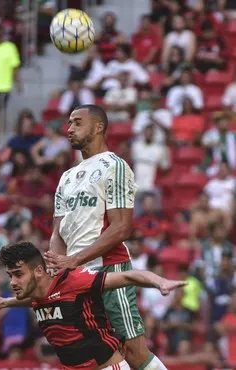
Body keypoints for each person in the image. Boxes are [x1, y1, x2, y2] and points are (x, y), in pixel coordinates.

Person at [44, 104, 169, 369]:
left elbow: (122, 227)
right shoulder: (66, 177)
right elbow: (58, 230)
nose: (69, 129)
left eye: (77, 122)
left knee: (133, 351)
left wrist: (74, 260)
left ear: (99, 127)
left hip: (108, 266)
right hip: (76, 275)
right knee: (100, 354)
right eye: (68, 123)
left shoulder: (115, 166)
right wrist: (58, 265)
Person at [0, 241, 186, 370]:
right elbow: (35, 300)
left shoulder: (74, 281)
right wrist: (3, 302)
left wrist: (160, 282)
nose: (12, 282)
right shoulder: (35, 295)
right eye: (10, 276)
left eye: (18, 275)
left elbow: (127, 276)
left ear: (39, 271)